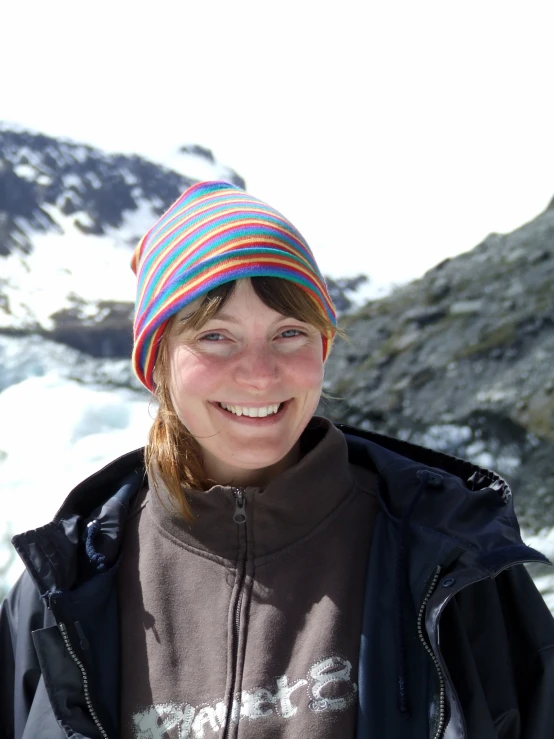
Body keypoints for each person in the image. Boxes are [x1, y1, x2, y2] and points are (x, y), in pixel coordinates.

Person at [1, 181, 553, 739]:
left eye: (290, 332)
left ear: (322, 348)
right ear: (156, 365)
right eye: (216, 336)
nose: (260, 373)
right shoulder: (63, 589)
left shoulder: (449, 558)